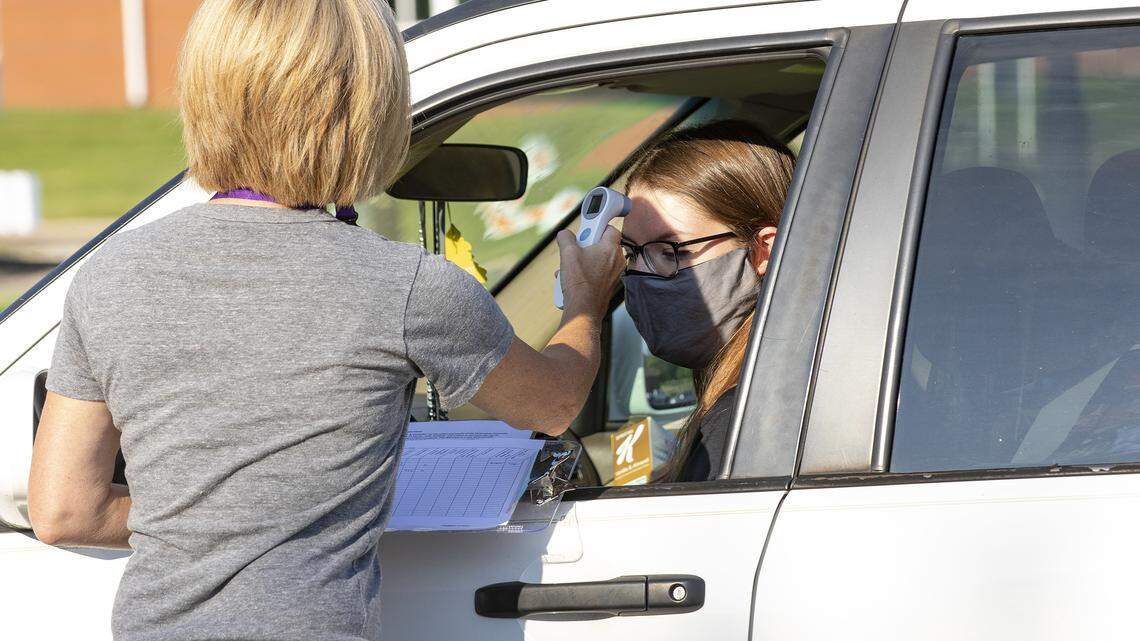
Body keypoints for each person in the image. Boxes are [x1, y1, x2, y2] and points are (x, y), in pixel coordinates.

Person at [26, 1, 623, 640]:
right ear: (367, 114)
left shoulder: (111, 273)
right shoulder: (407, 284)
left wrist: (211, 517)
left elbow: (64, 511)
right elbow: (553, 405)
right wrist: (585, 302)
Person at [618, 120, 795, 483]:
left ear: (765, 250)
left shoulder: (748, 416)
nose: (643, 277)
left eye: (670, 251)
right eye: (633, 252)